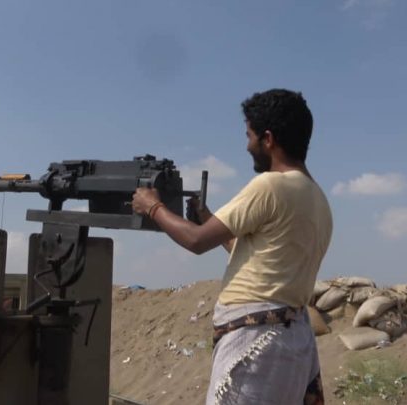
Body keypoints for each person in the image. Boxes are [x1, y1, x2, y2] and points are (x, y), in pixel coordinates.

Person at [132, 89, 332, 405]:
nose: (247, 146)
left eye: (250, 136)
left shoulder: (271, 185)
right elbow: (258, 256)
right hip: (290, 342)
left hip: (257, 343)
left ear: (268, 139)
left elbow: (196, 241)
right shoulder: (317, 198)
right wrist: (207, 218)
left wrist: (152, 207)